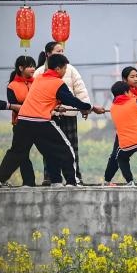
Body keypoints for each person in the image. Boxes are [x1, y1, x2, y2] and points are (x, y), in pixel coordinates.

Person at [0, 53, 105, 187]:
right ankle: (72, 181)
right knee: (66, 148)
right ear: (58, 69)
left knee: (19, 152)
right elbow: (71, 100)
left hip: (23, 121)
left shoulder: (38, 79)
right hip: (41, 122)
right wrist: (90, 107)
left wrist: (55, 107)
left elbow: (43, 99)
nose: (65, 71)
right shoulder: (58, 82)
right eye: (65, 68)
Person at [35, 41, 90, 184]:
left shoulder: (70, 69)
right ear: (48, 54)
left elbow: (80, 88)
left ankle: (75, 178)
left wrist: (85, 107)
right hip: (49, 117)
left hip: (69, 115)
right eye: (58, 51)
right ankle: (50, 178)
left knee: (72, 148)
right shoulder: (40, 72)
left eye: (62, 52)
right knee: (49, 149)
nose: (61, 54)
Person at [5, 55, 38, 186]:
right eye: (30, 66)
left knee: (49, 151)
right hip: (21, 124)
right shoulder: (12, 86)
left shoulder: (37, 82)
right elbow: (14, 106)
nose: (33, 69)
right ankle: (29, 182)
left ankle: (55, 179)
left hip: (39, 123)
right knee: (22, 154)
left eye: (34, 66)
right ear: (21, 68)